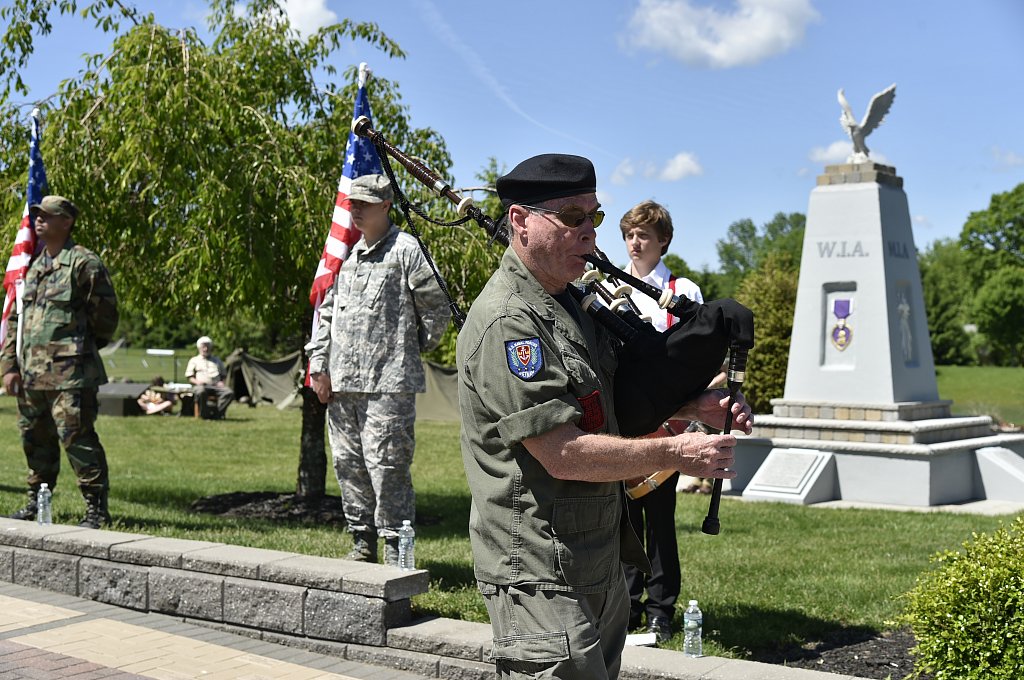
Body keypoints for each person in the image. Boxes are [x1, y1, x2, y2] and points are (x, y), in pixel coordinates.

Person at [456, 154, 752, 679]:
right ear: (520, 221)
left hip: (597, 557)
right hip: (538, 568)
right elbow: (561, 451)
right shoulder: (509, 322)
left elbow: (608, 403)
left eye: (593, 216)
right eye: (572, 218)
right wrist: (676, 452)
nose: (590, 234)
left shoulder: (572, 305)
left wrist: (693, 407)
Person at [307, 173, 451, 566]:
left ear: (386, 206)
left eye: (364, 204)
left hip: (389, 385)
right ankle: (361, 541)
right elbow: (329, 315)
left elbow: (436, 307)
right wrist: (319, 365)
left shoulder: (405, 250)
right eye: (353, 204)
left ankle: (394, 549)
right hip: (342, 385)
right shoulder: (350, 258)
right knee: (348, 465)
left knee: (388, 468)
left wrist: (409, 349)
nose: (355, 210)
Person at [615, 200, 705, 642]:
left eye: (644, 235)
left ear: (663, 241)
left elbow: (695, 360)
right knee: (624, 521)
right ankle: (626, 604)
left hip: (667, 426)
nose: (635, 242)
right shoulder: (608, 282)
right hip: (620, 427)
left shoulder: (681, 289)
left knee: (661, 521)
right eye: (630, 234)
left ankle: (661, 610)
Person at [0, 195, 119, 529]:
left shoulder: (83, 263)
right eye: (36, 216)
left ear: (66, 222)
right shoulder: (34, 267)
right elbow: (15, 321)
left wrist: (82, 348)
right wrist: (9, 366)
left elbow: (106, 315)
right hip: (31, 374)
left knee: (77, 439)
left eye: (47, 216)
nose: (39, 221)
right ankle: (37, 502)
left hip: (71, 374)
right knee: (34, 440)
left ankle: (96, 508)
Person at [185, 336, 233, 419]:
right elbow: (190, 377)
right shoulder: (194, 360)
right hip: (200, 386)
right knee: (201, 392)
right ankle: (205, 414)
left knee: (229, 392)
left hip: (216, 386)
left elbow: (223, 375)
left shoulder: (217, 360)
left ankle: (217, 414)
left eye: (207, 347)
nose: (205, 349)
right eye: (203, 347)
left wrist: (222, 382)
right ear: (199, 348)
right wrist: (197, 382)